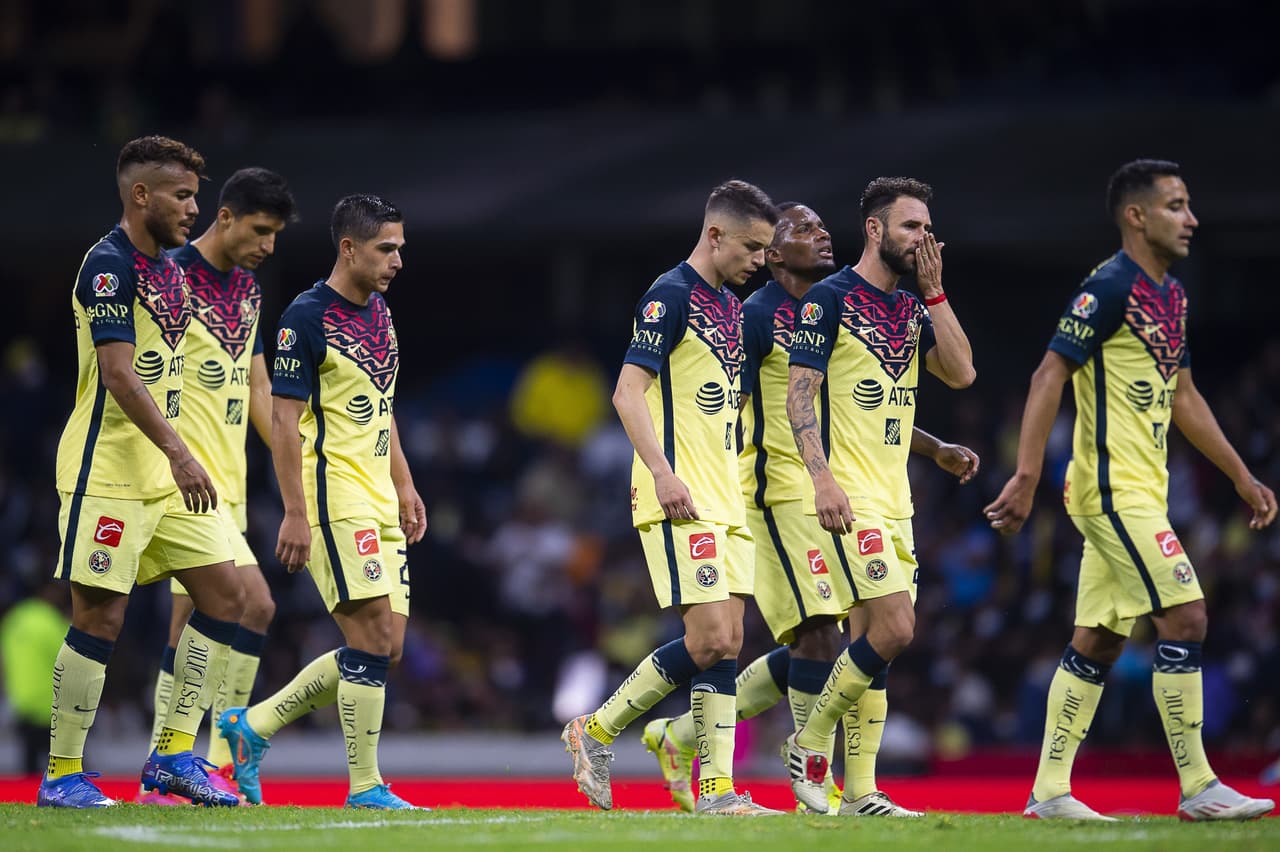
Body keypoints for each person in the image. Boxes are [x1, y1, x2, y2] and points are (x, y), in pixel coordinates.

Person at [643, 203, 979, 816]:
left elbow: (878, 402)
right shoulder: (760, 314)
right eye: (803, 229)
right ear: (769, 251)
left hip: (852, 494)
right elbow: (717, 400)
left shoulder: (858, 307)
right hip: (779, 494)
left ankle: (687, 736)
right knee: (831, 634)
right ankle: (818, 780)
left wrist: (930, 448)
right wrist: (689, 470)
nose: (821, 235)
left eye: (825, 226)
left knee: (835, 634)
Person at [984, 159, 1276, 821]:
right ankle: (1200, 786)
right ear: (1136, 215)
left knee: (1099, 639)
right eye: (1177, 205)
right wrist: (1027, 475)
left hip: (1144, 490)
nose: (1192, 218)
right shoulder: (1108, 288)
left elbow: (1186, 397)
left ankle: (1049, 790)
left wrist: (1239, 474)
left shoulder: (1170, 295)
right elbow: (1046, 376)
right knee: (1187, 615)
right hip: (1112, 491)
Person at [561, 180, 782, 816]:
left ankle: (714, 791)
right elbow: (627, 393)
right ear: (715, 234)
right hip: (679, 492)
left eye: (766, 250)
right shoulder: (671, 295)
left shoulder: (731, 309)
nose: (758, 261)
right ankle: (597, 730)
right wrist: (661, 472)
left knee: (727, 641)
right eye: (751, 246)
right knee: (710, 635)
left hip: (727, 494)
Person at [42, 135, 245, 808]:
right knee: (100, 619)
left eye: (197, 194)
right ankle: (62, 772)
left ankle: (170, 757)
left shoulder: (175, 268)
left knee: (227, 597)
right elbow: (119, 374)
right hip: (109, 472)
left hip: (166, 478)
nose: (195, 208)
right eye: (183, 196)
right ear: (140, 195)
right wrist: (183, 451)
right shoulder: (108, 266)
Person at [216, 194, 428, 810]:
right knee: (370, 636)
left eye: (400, 249)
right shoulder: (304, 318)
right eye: (386, 249)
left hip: (379, 496)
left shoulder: (381, 313)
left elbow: (382, 411)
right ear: (349, 248)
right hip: (334, 499)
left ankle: (251, 728)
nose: (396, 261)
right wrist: (294, 511)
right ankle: (365, 786)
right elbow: (284, 425)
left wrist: (406, 483)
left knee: (387, 647)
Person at [781, 177, 976, 814]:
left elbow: (961, 372)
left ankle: (863, 790)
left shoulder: (911, 309)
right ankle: (808, 743)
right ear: (875, 230)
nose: (924, 240)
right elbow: (799, 397)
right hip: (850, 498)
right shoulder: (828, 299)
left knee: (874, 647)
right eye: (911, 228)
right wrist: (822, 479)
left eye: (929, 228)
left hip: (898, 499)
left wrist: (936, 292)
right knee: (895, 627)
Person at [139, 167, 298, 805]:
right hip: (181, 480)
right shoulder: (167, 273)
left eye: (276, 235)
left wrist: (294, 466)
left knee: (239, 611)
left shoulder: (250, 289)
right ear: (225, 216)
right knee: (216, 610)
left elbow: (258, 388)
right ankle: (178, 766)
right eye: (260, 230)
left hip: (227, 483)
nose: (268, 245)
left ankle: (201, 765)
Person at [0, 580, 68, 776]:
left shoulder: (14, 618)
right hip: (49, 701)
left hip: (21, 699)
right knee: (62, 761)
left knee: (29, 759)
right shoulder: (51, 621)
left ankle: (30, 795)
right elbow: (70, 657)